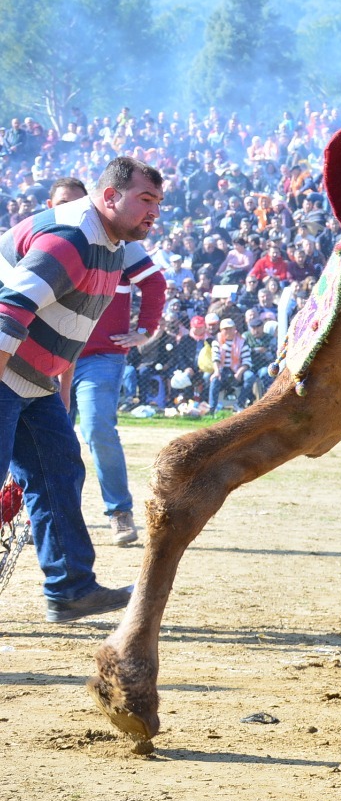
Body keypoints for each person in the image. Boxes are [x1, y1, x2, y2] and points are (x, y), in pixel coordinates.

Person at [0, 156, 164, 621]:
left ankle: (70, 589)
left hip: (31, 378)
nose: (154, 212)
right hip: (5, 368)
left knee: (58, 472)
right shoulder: (73, 237)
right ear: (109, 196)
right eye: (145, 200)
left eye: (158, 203)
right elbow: (10, 309)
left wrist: (59, 389)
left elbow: (72, 325)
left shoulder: (111, 242)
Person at [47, 178, 166, 546]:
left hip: (99, 358)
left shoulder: (120, 246)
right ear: (50, 205)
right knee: (47, 437)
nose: (70, 209)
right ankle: (46, 516)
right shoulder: (45, 241)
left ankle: (119, 513)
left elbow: (155, 284)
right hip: (52, 358)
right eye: (62, 203)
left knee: (97, 428)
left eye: (76, 202)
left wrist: (144, 331)